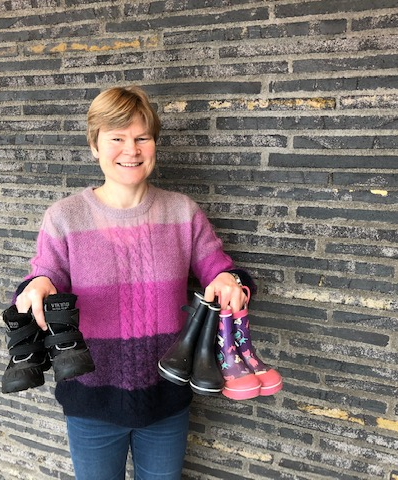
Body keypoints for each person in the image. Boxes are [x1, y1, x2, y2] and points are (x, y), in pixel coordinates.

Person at [13, 85, 255, 479]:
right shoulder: (64, 217)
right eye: (117, 138)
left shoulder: (182, 212)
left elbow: (222, 270)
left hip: (167, 396)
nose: (132, 149)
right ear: (94, 146)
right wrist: (36, 286)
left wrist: (229, 281)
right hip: (90, 398)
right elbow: (43, 276)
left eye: (142, 137)